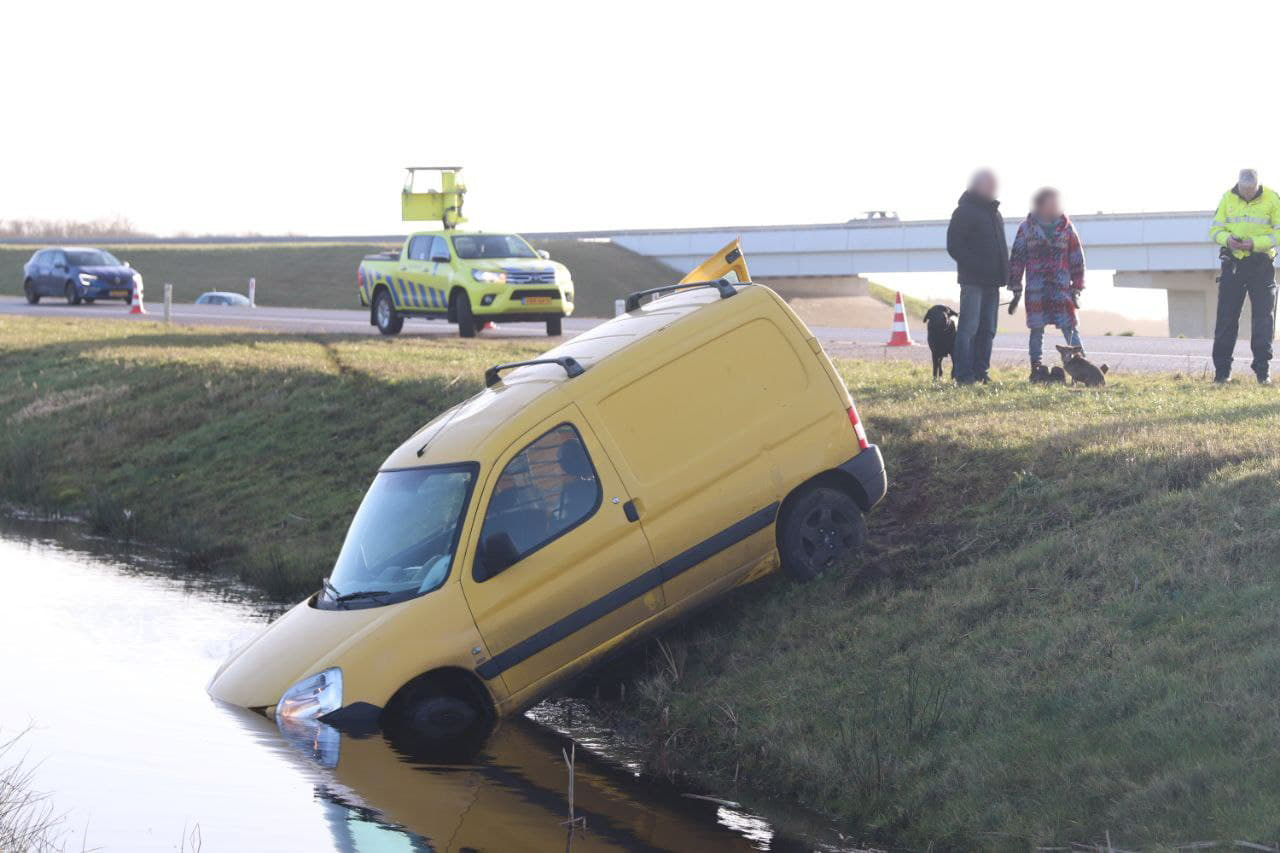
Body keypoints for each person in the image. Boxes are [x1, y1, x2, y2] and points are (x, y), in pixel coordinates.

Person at [1209, 169, 1280, 384]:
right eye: (1243, 190)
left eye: (1251, 190)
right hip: (1234, 264)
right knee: (1226, 319)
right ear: (1238, 185)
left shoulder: (1272, 199)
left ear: (1258, 186)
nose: (1247, 194)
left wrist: (1255, 244)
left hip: (1261, 264)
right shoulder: (1227, 197)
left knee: (1263, 320)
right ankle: (1222, 373)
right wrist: (1227, 239)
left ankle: (1262, 372)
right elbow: (1215, 230)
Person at [1007, 187, 1086, 378]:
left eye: (1057, 203)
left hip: (1061, 289)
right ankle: (1036, 367)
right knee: (1036, 330)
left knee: (1070, 326)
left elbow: (1077, 257)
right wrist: (1016, 287)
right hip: (1037, 289)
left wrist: (1077, 286)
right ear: (1040, 205)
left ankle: (1083, 364)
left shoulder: (1067, 228)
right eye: (1051, 203)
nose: (1055, 207)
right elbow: (1017, 258)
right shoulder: (1026, 228)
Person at [946, 169, 1010, 384]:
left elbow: (1002, 249)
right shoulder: (964, 211)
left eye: (995, 184)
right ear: (976, 185)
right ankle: (963, 375)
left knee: (988, 330)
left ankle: (981, 373)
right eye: (989, 184)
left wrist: (1007, 275)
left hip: (993, 283)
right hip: (973, 282)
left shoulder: (995, 213)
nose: (994, 188)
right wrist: (977, 267)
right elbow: (954, 246)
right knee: (968, 329)